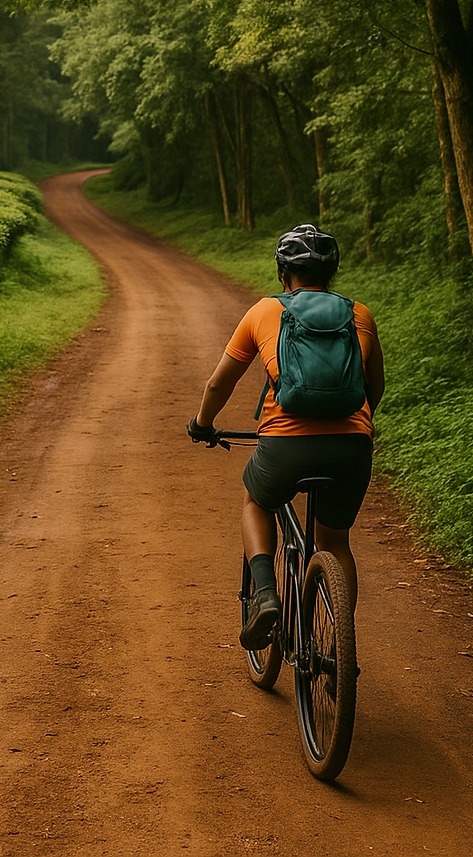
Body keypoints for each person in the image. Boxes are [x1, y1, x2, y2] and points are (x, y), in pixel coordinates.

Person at [187, 224, 385, 650]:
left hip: (285, 446)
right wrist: (354, 427)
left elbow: (220, 384)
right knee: (334, 540)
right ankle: (337, 642)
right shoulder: (360, 315)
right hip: (352, 445)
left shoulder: (263, 312)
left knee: (257, 501)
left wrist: (203, 423)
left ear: (283, 274)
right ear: (331, 273)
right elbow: (375, 387)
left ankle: (265, 596)